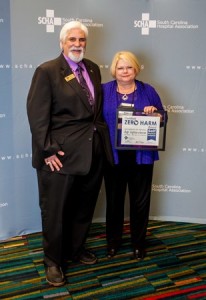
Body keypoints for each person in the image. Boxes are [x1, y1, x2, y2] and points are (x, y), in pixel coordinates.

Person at [27, 21, 112, 287]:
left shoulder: (94, 69)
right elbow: (37, 116)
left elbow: (93, 112)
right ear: (62, 42)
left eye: (82, 40)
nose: (77, 44)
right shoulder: (48, 71)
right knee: (55, 210)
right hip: (60, 155)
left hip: (91, 152)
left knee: (83, 207)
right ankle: (53, 261)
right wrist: (47, 150)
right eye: (72, 39)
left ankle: (75, 249)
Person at [102, 51, 167, 260]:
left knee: (140, 203)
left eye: (129, 67)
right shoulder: (104, 91)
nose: (125, 71)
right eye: (121, 67)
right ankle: (113, 242)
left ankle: (138, 244)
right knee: (114, 201)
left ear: (136, 69)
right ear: (114, 70)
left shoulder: (149, 91)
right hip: (113, 157)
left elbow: (162, 117)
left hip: (141, 156)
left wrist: (155, 113)